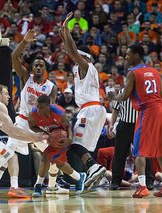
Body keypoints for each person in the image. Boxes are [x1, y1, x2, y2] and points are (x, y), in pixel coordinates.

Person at [0, 29, 57, 197]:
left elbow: (51, 110)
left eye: (41, 65)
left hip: (40, 126)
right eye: (35, 65)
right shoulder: (25, 77)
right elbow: (13, 57)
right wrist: (24, 41)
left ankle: (53, 185)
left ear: (45, 68)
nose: (38, 67)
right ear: (32, 68)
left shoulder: (52, 87)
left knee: (53, 153)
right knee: (8, 151)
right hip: (22, 122)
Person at [108, 44, 162, 198]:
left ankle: (143, 186)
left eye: (128, 54)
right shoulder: (155, 71)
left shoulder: (133, 72)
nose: (126, 57)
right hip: (160, 109)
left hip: (147, 111)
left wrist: (113, 97)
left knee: (139, 151)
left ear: (137, 55)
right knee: (159, 150)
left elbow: (124, 96)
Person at [60, 12, 107, 190]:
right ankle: (94, 172)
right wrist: (63, 35)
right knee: (84, 147)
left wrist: (67, 31)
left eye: (76, 56)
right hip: (95, 109)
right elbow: (70, 49)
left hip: (90, 110)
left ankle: (94, 167)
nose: (72, 58)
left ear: (82, 57)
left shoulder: (85, 66)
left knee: (75, 144)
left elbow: (72, 51)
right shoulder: (87, 68)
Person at [28, 95, 86, 196]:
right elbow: (32, 126)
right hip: (52, 137)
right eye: (37, 106)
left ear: (48, 106)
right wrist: (45, 133)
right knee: (59, 163)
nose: (38, 109)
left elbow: (68, 126)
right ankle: (79, 177)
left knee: (45, 157)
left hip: (63, 138)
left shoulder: (59, 113)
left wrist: (69, 139)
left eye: (41, 107)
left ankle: (38, 185)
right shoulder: (33, 114)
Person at [108, 88, 154, 190]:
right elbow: (116, 110)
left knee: (145, 154)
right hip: (124, 125)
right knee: (119, 154)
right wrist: (111, 125)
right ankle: (116, 181)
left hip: (140, 125)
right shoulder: (122, 92)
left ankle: (149, 181)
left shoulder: (144, 92)